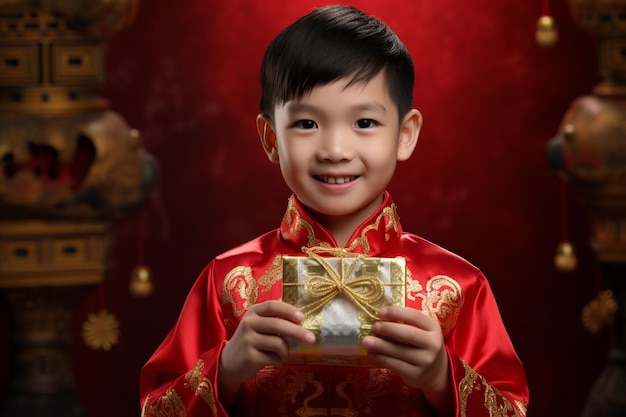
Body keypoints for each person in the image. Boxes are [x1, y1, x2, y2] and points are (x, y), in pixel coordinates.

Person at [139, 5, 529, 417]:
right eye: (307, 124)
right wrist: (226, 368)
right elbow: (155, 409)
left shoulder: (456, 285)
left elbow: (511, 410)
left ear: (405, 134)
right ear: (271, 138)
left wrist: (440, 376)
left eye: (364, 122)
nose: (335, 151)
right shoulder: (229, 280)